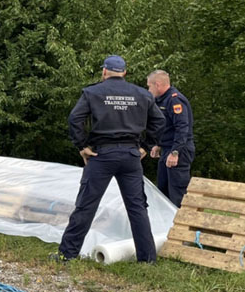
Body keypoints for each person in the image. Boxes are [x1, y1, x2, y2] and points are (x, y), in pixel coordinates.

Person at [52, 55, 165, 263]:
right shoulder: (142, 94)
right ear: (125, 73)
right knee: (137, 208)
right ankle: (148, 260)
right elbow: (159, 121)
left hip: (102, 155)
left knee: (86, 206)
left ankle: (66, 254)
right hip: (131, 156)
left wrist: (82, 146)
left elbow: (74, 119)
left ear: (104, 71)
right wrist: (145, 147)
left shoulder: (93, 92)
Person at [146, 70, 195, 207]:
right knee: (163, 190)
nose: (148, 90)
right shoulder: (161, 100)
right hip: (167, 148)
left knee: (177, 192)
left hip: (179, 150)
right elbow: (167, 127)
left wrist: (175, 152)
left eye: (149, 86)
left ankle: (180, 225)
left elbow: (182, 128)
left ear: (158, 84)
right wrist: (158, 145)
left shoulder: (175, 100)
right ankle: (166, 225)